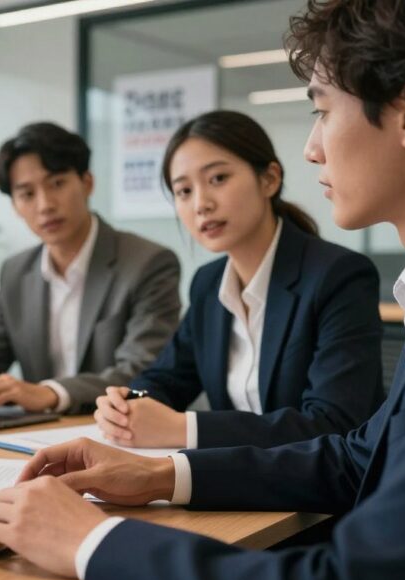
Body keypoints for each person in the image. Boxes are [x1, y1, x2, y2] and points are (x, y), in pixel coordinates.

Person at [0, 0, 405, 580]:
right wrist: (160, 473)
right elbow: (360, 456)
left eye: (322, 110)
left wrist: (92, 543)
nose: (312, 147)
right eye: (184, 190)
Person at [94, 110, 383, 450]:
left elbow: (335, 423)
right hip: (238, 490)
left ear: (269, 179)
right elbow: (167, 377)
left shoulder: (338, 275)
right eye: (184, 191)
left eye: (217, 179)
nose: (201, 204)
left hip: (327, 497)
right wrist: (128, 402)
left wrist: (186, 429)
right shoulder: (208, 283)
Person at [0, 122, 182, 415]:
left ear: (87, 182)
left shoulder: (148, 263)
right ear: (14, 205)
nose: (45, 205)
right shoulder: (16, 271)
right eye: (27, 194)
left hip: (119, 432)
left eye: (57, 184)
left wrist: (51, 393)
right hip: (37, 440)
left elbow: (142, 371)